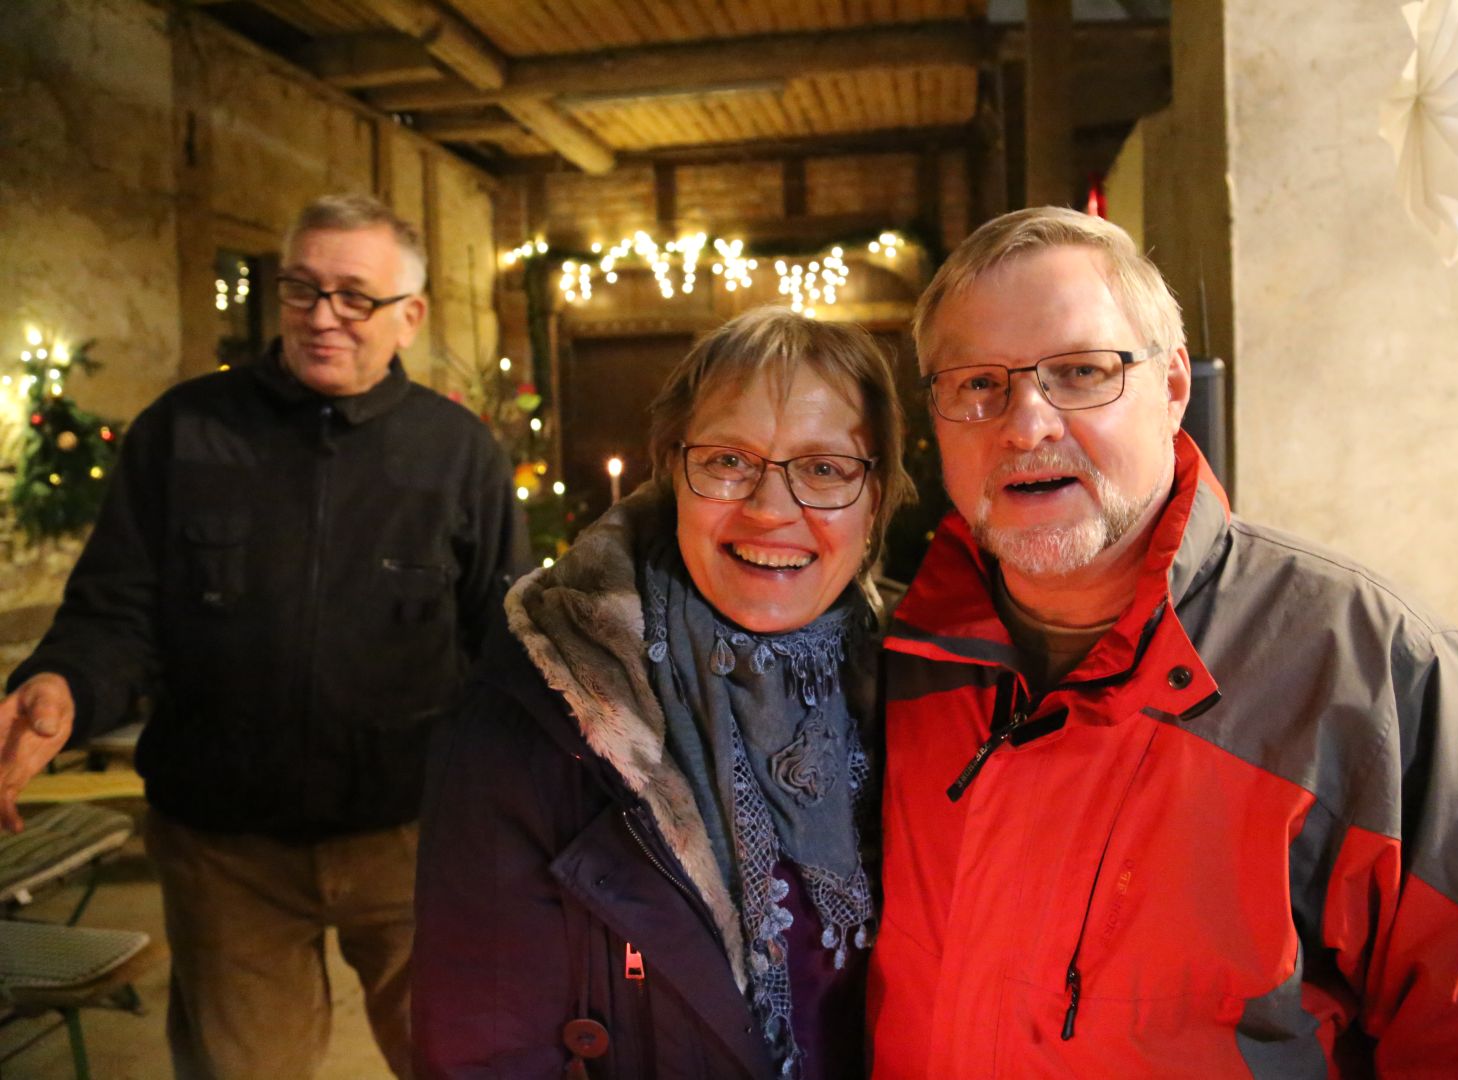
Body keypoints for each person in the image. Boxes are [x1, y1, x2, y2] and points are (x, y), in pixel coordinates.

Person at [868, 207, 1458, 1077]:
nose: (1027, 425)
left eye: (1082, 372)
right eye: (978, 384)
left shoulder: (1365, 662)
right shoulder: (896, 662)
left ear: (1173, 386)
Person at [0, 194, 527, 1079]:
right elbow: (114, 614)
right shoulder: (184, 432)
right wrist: (62, 687)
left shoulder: (458, 453)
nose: (323, 317)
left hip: (413, 841)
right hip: (226, 849)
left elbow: (501, 642)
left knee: (468, 1059)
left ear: (411, 317)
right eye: (301, 289)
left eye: (354, 296)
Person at [412, 305, 915, 1078]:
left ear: (876, 496)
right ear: (670, 469)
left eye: (825, 469)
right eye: (727, 461)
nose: (772, 509)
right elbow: (487, 1048)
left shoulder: (929, 686)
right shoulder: (541, 710)